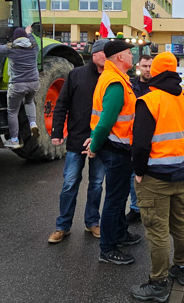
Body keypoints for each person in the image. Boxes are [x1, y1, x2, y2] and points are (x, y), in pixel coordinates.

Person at [129, 52, 184, 302]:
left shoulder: (150, 100)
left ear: (154, 72)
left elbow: (141, 145)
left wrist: (138, 172)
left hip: (156, 176)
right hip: (181, 172)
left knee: (156, 229)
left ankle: (158, 283)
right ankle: (182, 267)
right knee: (180, 221)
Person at [84, 39, 141, 265]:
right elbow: (106, 121)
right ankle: (107, 249)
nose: (131, 56)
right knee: (115, 200)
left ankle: (119, 233)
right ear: (119, 57)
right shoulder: (115, 83)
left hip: (115, 146)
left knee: (118, 195)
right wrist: (94, 146)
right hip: (116, 148)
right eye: (129, 53)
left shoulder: (114, 78)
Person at [47, 39, 108, 243]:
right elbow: (61, 104)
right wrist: (57, 132)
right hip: (76, 139)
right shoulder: (76, 75)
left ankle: (92, 222)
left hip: (100, 141)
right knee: (70, 183)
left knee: (97, 184)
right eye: (104, 54)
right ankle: (62, 226)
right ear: (95, 54)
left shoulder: (111, 78)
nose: (108, 58)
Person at [0, 25, 39, 149]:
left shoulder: (11, 49)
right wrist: (28, 32)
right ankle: (33, 123)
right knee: (29, 102)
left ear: (14, 38)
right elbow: (30, 37)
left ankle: (14, 140)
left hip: (18, 84)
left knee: (12, 112)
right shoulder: (34, 46)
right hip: (34, 83)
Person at [126, 53, 154, 224]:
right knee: (133, 176)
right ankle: (136, 208)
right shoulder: (130, 85)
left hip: (154, 138)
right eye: (145, 66)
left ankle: (149, 209)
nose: (148, 70)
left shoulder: (158, 87)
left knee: (151, 177)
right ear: (138, 67)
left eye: (150, 66)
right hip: (133, 137)